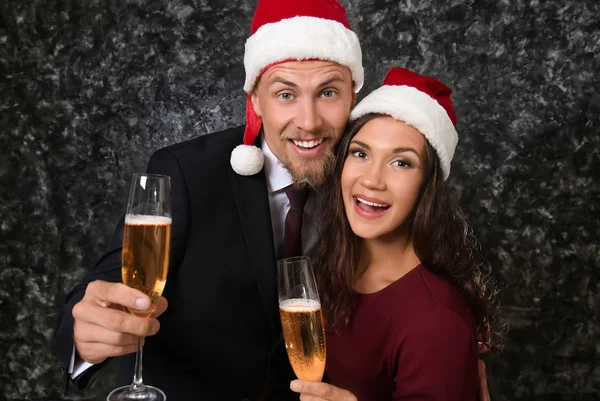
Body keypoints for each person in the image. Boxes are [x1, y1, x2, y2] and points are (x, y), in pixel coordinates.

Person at [55, 0, 364, 400]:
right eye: (285, 94)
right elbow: (117, 274)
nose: (308, 121)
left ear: (353, 96)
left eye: (328, 92)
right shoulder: (185, 171)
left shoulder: (368, 182)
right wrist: (84, 332)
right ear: (255, 99)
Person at [290, 68, 502, 401]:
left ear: (426, 187)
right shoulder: (335, 268)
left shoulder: (436, 321)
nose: (372, 180)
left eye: (401, 163)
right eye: (360, 154)